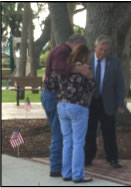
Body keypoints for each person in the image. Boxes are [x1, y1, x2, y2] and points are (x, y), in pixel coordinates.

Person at [41, 34, 91, 177]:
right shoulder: (63, 51)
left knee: (63, 136)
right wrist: (80, 68)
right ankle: (57, 168)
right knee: (59, 135)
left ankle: (64, 169)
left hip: (52, 96)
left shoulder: (58, 50)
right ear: (77, 43)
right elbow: (58, 67)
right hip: (55, 97)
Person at [85, 35, 125, 168]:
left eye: (106, 50)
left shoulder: (114, 62)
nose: (103, 52)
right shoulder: (86, 61)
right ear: (95, 47)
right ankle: (87, 157)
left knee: (109, 132)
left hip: (107, 103)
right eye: (100, 49)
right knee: (89, 131)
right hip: (89, 103)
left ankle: (112, 158)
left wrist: (120, 104)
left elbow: (120, 85)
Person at [57, 44, 95, 183]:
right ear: (85, 55)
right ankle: (77, 175)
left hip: (62, 105)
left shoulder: (66, 68)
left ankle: (66, 173)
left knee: (67, 141)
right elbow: (91, 87)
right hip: (78, 106)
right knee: (78, 142)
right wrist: (91, 77)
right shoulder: (84, 69)